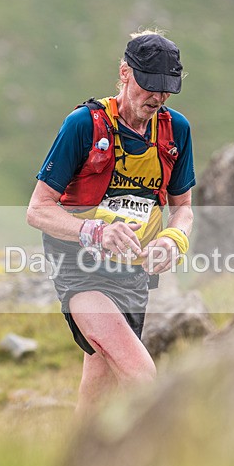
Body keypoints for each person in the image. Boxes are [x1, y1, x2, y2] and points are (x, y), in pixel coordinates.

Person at [26, 30, 195, 416]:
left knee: (100, 378)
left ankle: (80, 464)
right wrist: (95, 231)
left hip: (134, 272)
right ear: (124, 73)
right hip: (80, 267)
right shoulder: (83, 124)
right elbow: (38, 209)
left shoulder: (176, 131)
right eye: (149, 86)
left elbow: (183, 207)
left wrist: (173, 240)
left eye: (167, 89)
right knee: (140, 373)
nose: (157, 97)